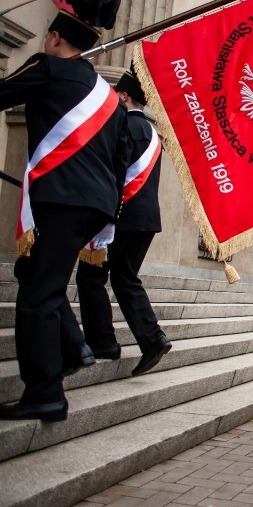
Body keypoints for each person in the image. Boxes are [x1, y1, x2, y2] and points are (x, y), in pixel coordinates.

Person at [0, 0, 128, 421]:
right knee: (36, 273)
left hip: (60, 201)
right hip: (94, 207)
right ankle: (73, 348)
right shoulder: (106, 94)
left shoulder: (46, 67)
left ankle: (45, 393)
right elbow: (118, 157)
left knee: (36, 294)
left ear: (55, 37)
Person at [76, 64, 172, 376]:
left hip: (121, 218)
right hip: (146, 220)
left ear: (125, 95)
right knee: (125, 278)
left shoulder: (123, 126)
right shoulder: (152, 132)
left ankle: (103, 342)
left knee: (90, 277)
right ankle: (152, 338)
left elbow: (114, 172)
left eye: (117, 92)